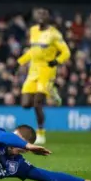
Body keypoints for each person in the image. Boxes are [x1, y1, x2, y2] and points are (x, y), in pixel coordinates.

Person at [18, 8, 70, 144]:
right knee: (25, 104)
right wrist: (21, 61)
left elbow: (66, 52)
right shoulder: (33, 30)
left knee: (37, 103)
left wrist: (56, 61)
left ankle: (41, 133)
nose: (40, 16)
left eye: (43, 14)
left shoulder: (54, 34)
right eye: (38, 14)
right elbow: (33, 51)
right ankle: (52, 93)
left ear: (48, 17)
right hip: (33, 70)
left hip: (46, 70)